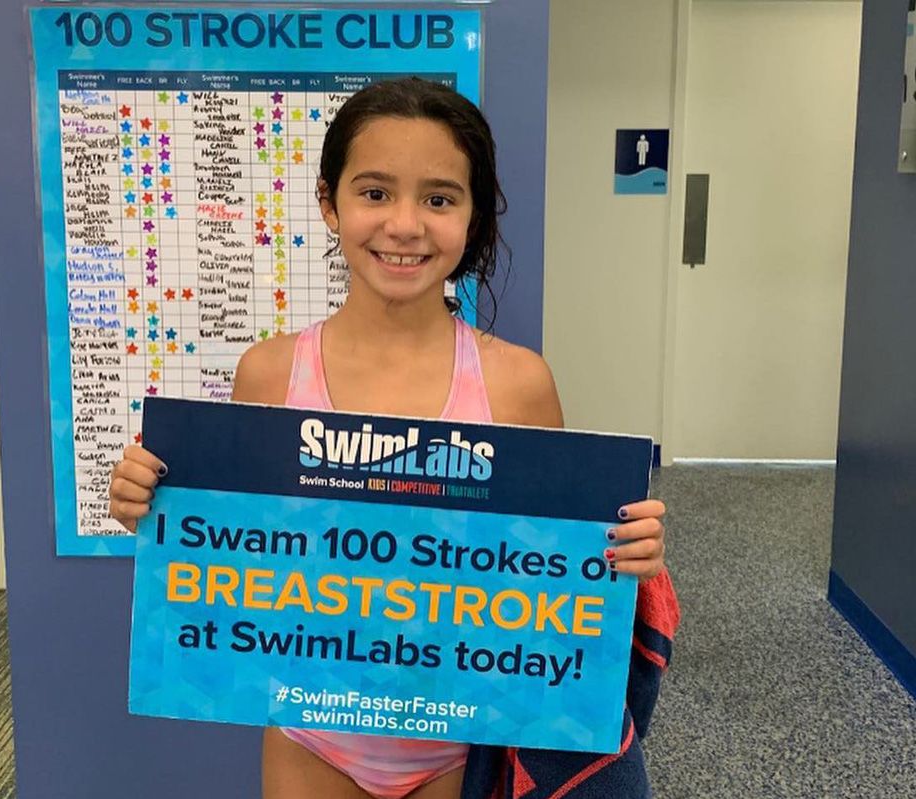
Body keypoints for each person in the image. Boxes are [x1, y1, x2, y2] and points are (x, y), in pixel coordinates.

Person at [108, 77, 673, 799]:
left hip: (461, 745)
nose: (405, 225)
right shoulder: (270, 373)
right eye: (375, 192)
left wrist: (629, 554)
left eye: (439, 199)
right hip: (311, 738)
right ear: (329, 202)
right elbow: (231, 551)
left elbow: (555, 578)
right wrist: (153, 507)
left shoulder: (518, 383)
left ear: (473, 215)